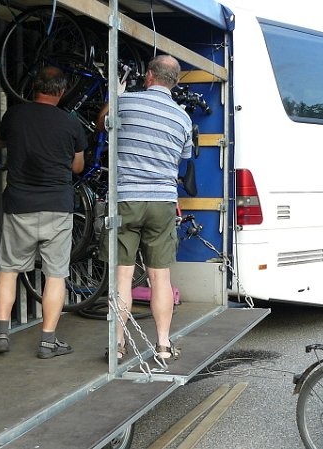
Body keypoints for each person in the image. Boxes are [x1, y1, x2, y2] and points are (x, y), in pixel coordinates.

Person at [0, 66, 87, 359]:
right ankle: (48, 342)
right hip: (57, 207)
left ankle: (0, 336)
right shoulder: (71, 124)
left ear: (34, 87)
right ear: (62, 91)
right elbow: (78, 167)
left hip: (19, 205)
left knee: (8, 270)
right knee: (55, 274)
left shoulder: (14, 115)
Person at [97, 55, 194, 362]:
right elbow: (184, 157)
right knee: (160, 277)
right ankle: (163, 345)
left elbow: (101, 124)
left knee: (123, 277)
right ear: (175, 82)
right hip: (163, 201)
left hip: (127, 198)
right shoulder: (183, 118)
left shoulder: (126, 102)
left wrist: (115, 95)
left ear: (149, 75)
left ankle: (118, 344)